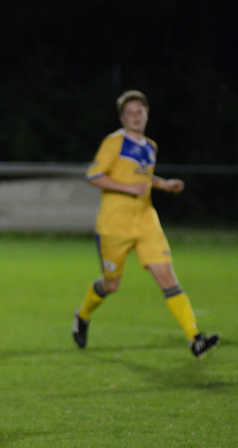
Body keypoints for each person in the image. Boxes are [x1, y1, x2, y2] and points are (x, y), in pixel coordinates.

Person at [72, 90, 220, 358]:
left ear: (147, 114)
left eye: (139, 111)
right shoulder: (114, 142)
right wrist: (129, 189)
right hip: (114, 226)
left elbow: (143, 177)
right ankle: (82, 316)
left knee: (167, 277)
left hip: (146, 222)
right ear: (122, 118)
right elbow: (94, 176)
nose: (135, 116)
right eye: (129, 112)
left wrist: (164, 184)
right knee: (111, 285)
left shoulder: (150, 146)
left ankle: (194, 338)